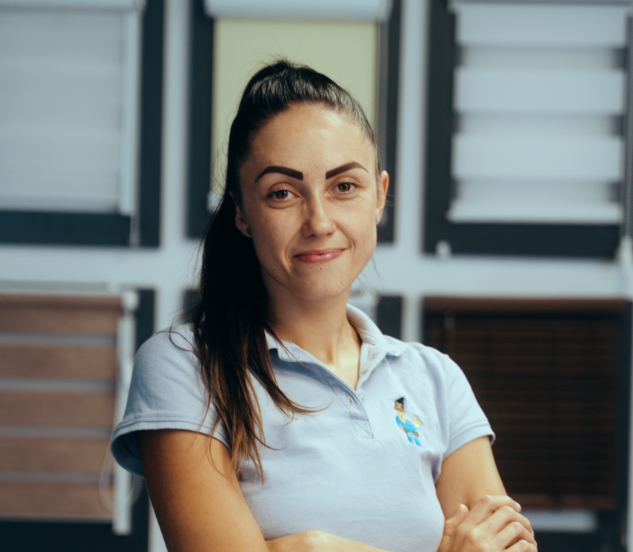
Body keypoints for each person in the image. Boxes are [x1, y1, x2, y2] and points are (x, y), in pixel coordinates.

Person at [111, 61, 536, 552]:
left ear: (379, 196)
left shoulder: (436, 380)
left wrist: (311, 546)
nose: (318, 221)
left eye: (344, 186)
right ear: (242, 213)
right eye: (282, 193)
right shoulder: (185, 364)